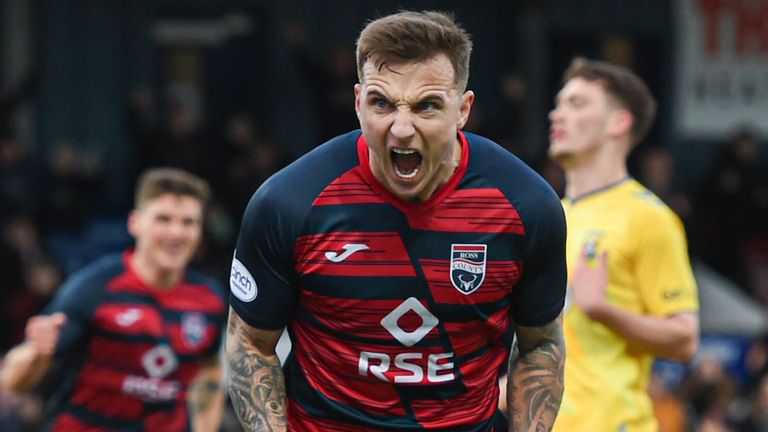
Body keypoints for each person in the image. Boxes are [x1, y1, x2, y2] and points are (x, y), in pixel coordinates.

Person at [225, 10, 567, 432]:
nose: (401, 129)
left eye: (426, 106)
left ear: (463, 110)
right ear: (356, 103)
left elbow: (540, 345)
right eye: (382, 103)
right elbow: (250, 342)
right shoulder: (288, 202)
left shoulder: (527, 205)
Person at [0, 167, 228, 431]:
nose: (176, 233)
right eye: (163, 219)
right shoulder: (95, 288)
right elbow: (14, 381)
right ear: (135, 223)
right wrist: (36, 354)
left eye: (188, 222)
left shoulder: (209, 298)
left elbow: (210, 370)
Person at [548, 57, 700, 432]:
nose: (557, 115)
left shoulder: (648, 217)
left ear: (619, 122)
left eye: (577, 104)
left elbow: (685, 338)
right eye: (559, 103)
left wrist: (602, 309)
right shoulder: (552, 217)